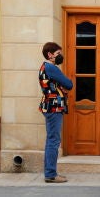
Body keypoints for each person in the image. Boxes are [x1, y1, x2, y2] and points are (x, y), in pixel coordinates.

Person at [38, 42, 73, 183]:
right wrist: (64, 86)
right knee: (54, 141)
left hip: (49, 106)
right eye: (58, 54)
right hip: (54, 107)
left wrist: (60, 87)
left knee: (50, 140)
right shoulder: (52, 68)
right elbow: (69, 84)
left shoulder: (44, 67)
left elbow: (55, 85)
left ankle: (49, 173)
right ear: (50, 55)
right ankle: (51, 174)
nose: (60, 56)